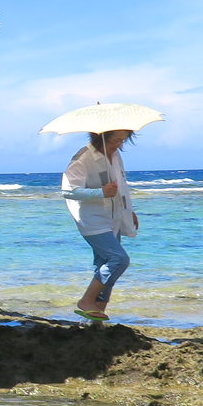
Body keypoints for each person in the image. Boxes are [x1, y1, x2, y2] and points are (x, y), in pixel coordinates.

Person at [60, 129, 139, 321]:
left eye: (123, 140)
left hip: (114, 217)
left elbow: (121, 185)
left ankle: (96, 319)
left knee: (104, 267)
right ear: (100, 137)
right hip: (91, 219)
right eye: (116, 141)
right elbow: (69, 191)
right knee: (118, 260)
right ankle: (86, 301)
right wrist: (100, 192)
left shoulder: (115, 155)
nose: (119, 145)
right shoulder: (82, 159)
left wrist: (129, 210)